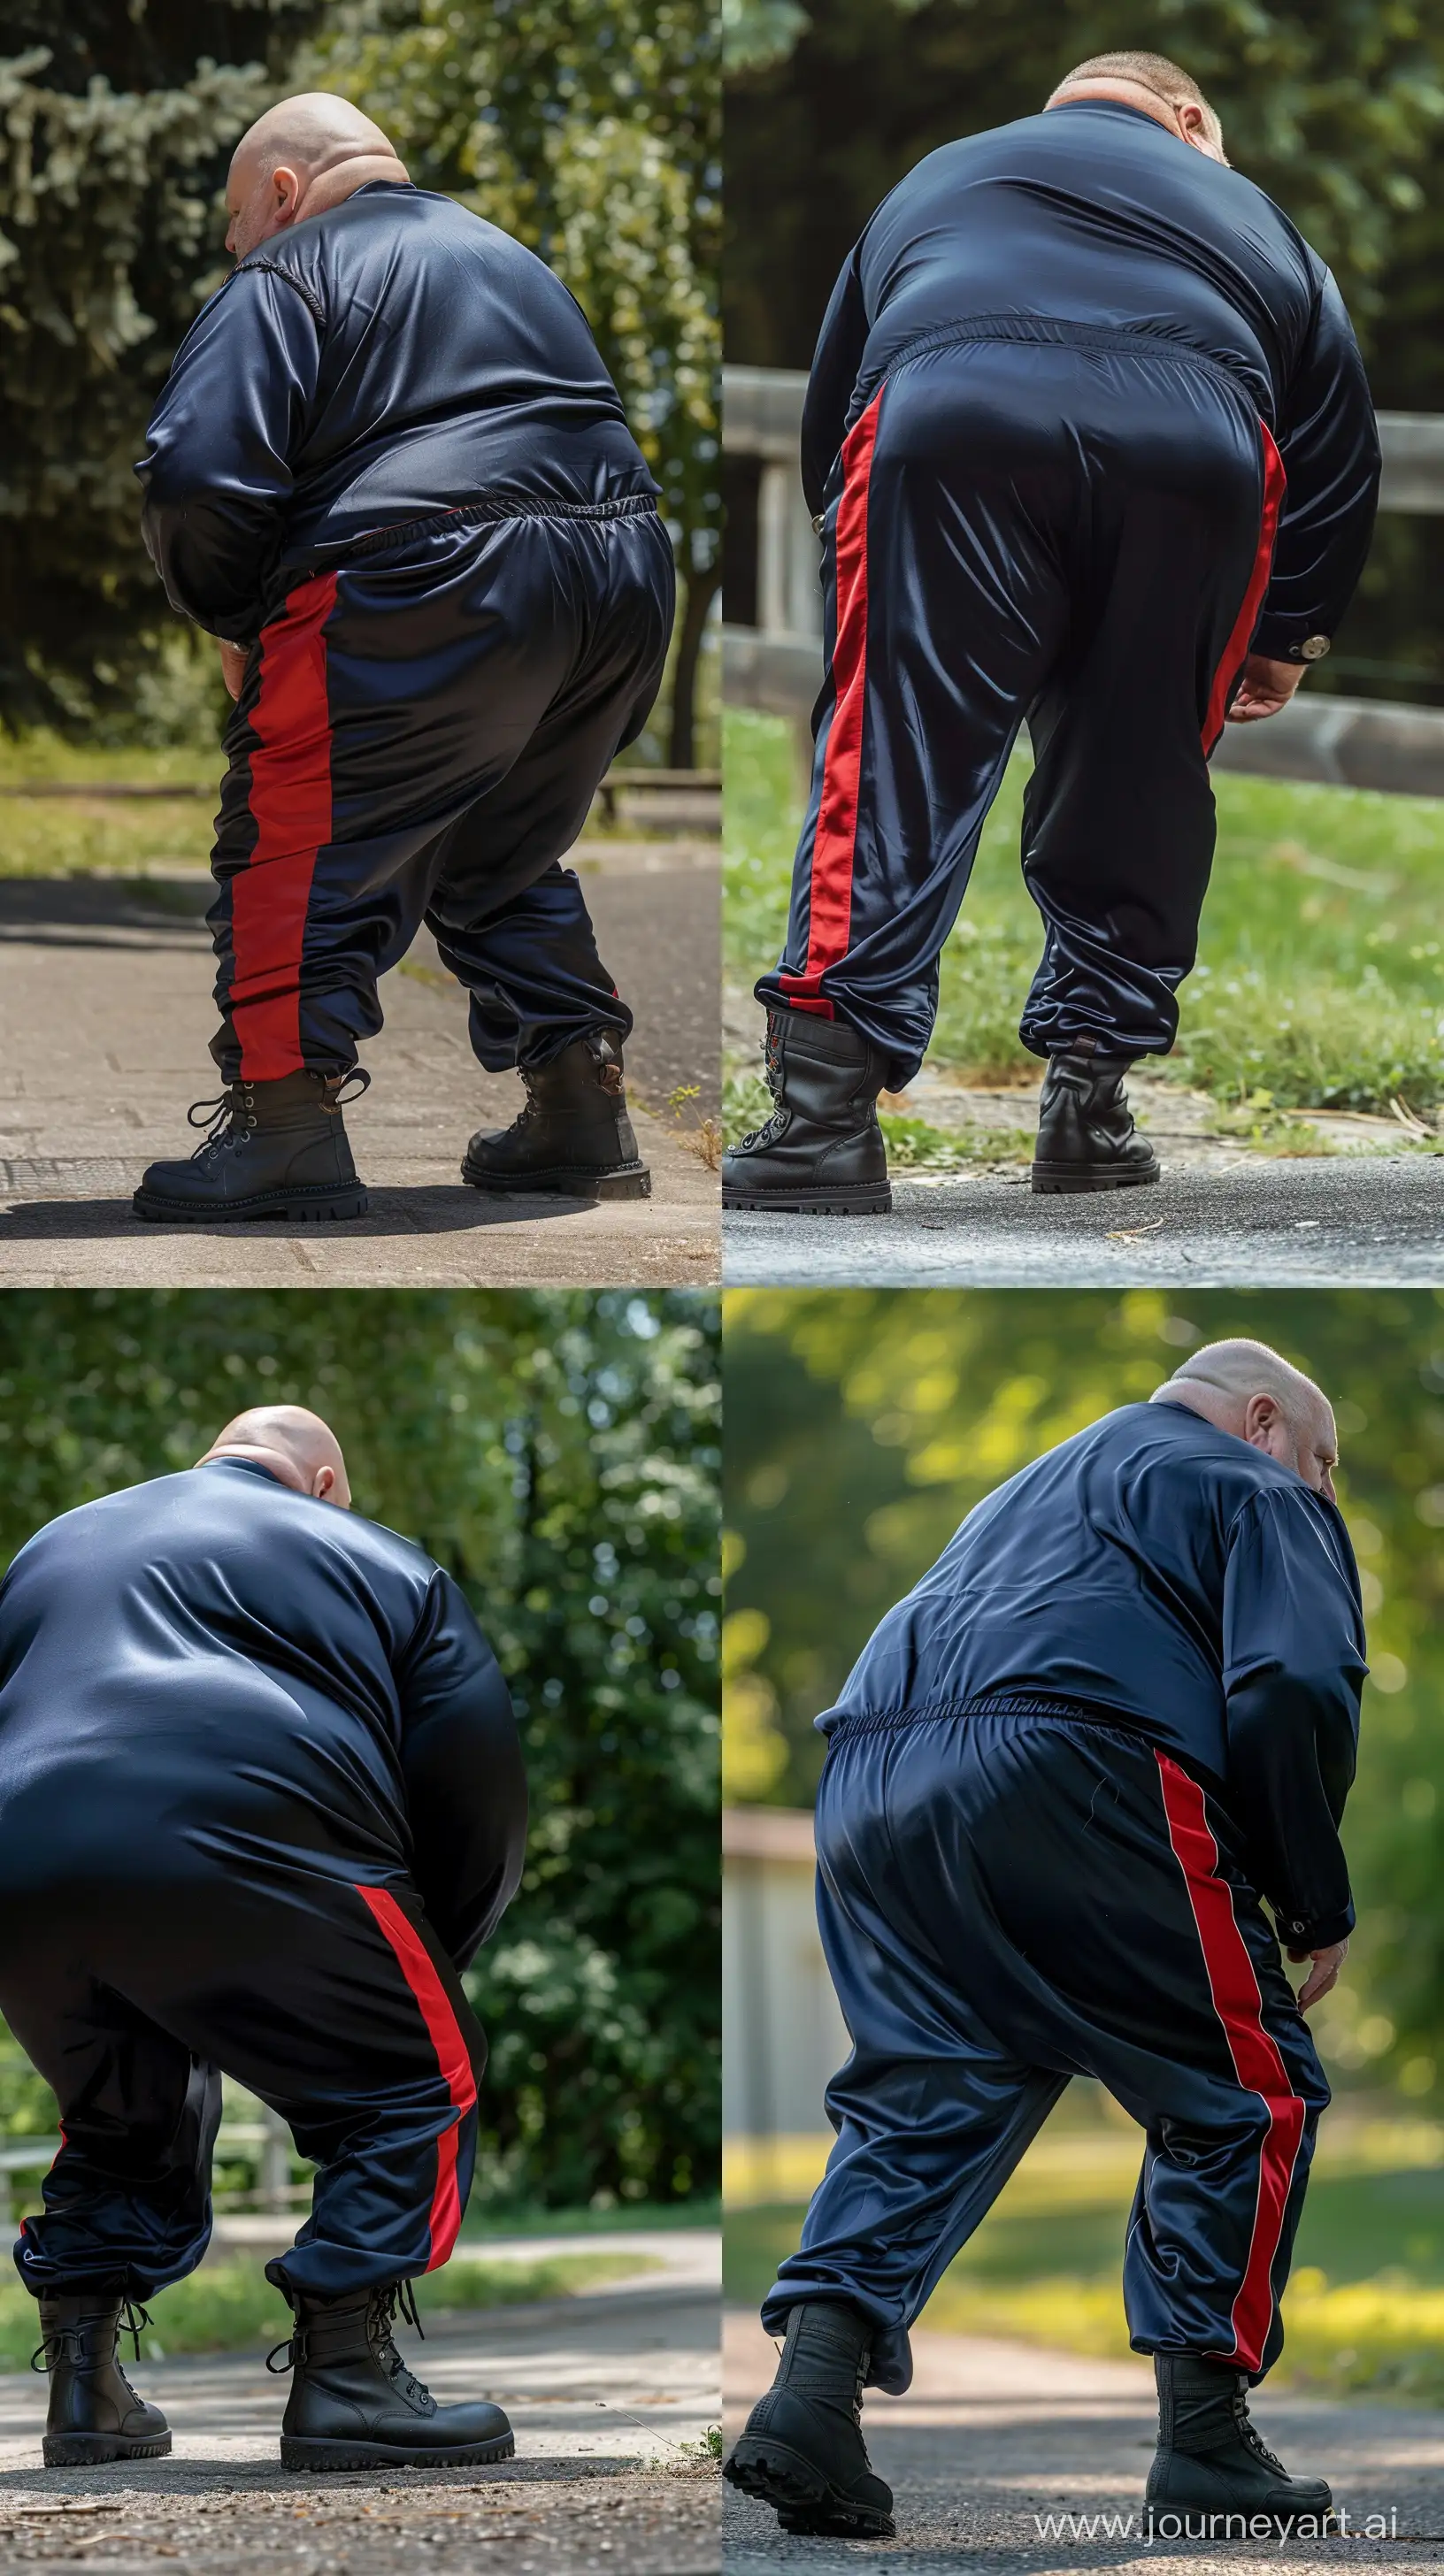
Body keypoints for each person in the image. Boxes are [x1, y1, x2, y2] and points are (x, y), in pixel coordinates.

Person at [725, 1341, 1365, 2540]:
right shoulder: (1257, 1486)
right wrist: (1310, 1897)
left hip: (871, 1778)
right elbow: (1294, 1684)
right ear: (1264, 1420)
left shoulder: (1029, 1486)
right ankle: (1207, 2442)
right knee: (1245, 2091)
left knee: (928, 2098)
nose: (1324, 1493)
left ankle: (809, 2399)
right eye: (1325, 1464)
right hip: (1075, 1757)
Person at [722, 52, 1380, 1215]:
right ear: (1191, 120)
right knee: (1138, 772)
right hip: (1195, 449)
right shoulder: (1255, 217)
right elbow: (1336, 440)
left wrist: (875, 579)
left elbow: (838, 410)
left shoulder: (942, 174)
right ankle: (1091, 1109)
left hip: (956, 415)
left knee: (895, 764)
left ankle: (819, 1121)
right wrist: (1289, 632)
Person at [134, 94, 674, 1224]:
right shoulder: (515, 259)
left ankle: (284, 1122)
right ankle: (581, 1103)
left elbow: (195, 471)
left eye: (237, 218)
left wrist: (239, 617)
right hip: (620, 578)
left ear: (283, 192)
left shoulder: (287, 274)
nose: (234, 245)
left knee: (295, 844)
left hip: (426, 571)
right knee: (496, 849)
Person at [0, 1405, 528, 2471]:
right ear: (326, 1482)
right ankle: (347, 2378)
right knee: (419, 2084)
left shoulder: (52, 1544)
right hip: (248, 1819)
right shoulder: (379, 1558)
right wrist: (423, 1974)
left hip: (22, 1864)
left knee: (118, 2114)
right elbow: (477, 1791)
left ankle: (84, 2387)